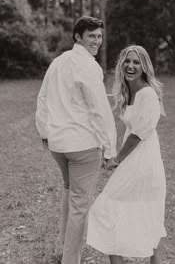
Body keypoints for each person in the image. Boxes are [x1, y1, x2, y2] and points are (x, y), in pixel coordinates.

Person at [35, 16, 117, 264]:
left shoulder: (57, 63)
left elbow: (43, 98)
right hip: (82, 146)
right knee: (80, 205)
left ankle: (63, 245)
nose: (97, 41)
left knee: (69, 190)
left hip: (58, 144)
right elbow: (99, 109)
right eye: (91, 36)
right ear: (78, 37)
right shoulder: (89, 66)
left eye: (99, 36)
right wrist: (110, 148)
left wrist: (45, 133)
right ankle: (70, 260)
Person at [86, 45, 167, 264]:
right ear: (121, 64)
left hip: (144, 163)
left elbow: (138, 134)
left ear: (144, 67)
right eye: (127, 61)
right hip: (134, 161)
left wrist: (116, 159)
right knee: (122, 215)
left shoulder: (148, 94)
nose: (131, 66)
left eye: (136, 62)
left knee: (111, 211)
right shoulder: (129, 91)